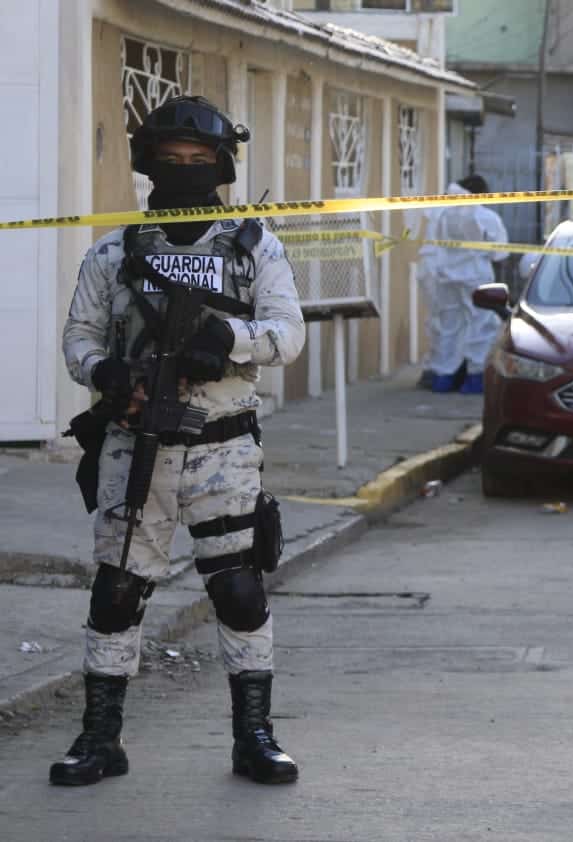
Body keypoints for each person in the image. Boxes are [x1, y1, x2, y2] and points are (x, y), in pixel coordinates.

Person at [55, 96, 306, 786]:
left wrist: (229, 338)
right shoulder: (114, 252)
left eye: (199, 160)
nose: (186, 170)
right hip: (135, 444)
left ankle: (254, 737)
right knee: (116, 591)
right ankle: (99, 738)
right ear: (149, 164)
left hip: (223, 448)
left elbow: (288, 334)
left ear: (221, 166)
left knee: (239, 590)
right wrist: (104, 371)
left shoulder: (253, 246)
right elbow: (79, 338)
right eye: (172, 159)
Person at [417, 174, 510, 393]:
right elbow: (500, 252)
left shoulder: (442, 214)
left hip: (446, 278)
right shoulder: (486, 217)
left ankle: (443, 377)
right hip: (476, 278)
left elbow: (435, 245)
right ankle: (474, 378)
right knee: (480, 326)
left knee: (449, 326)